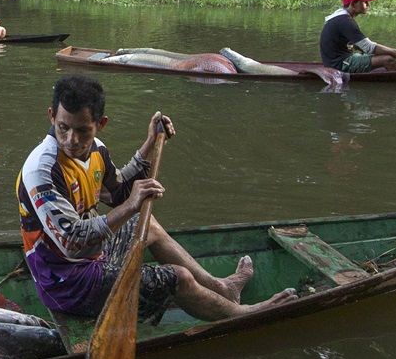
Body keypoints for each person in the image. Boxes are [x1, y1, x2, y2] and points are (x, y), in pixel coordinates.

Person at [16, 75, 297, 322]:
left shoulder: (96, 150)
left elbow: (118, 191)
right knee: (179, 278)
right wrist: (131, 205)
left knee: (146, 222)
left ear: (100, 124)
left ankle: (222, 288)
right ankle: (242, 314)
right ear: (51, 116)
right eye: (63, 127)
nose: (72, 140)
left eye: (82, 130)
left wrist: (151, 144)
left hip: (94, 256)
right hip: (67, 282)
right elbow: (73, 243)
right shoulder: (43, 169)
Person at [320, 0, 396, 73]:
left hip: (341, 60)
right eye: (364, 2)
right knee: (388, 59)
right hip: (339, 65)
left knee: (388, 54)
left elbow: (359, 46)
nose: (368, 5)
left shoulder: (341, 18)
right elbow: (369, 47)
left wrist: (391, 52)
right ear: (353, 4)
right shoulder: (345, 21)